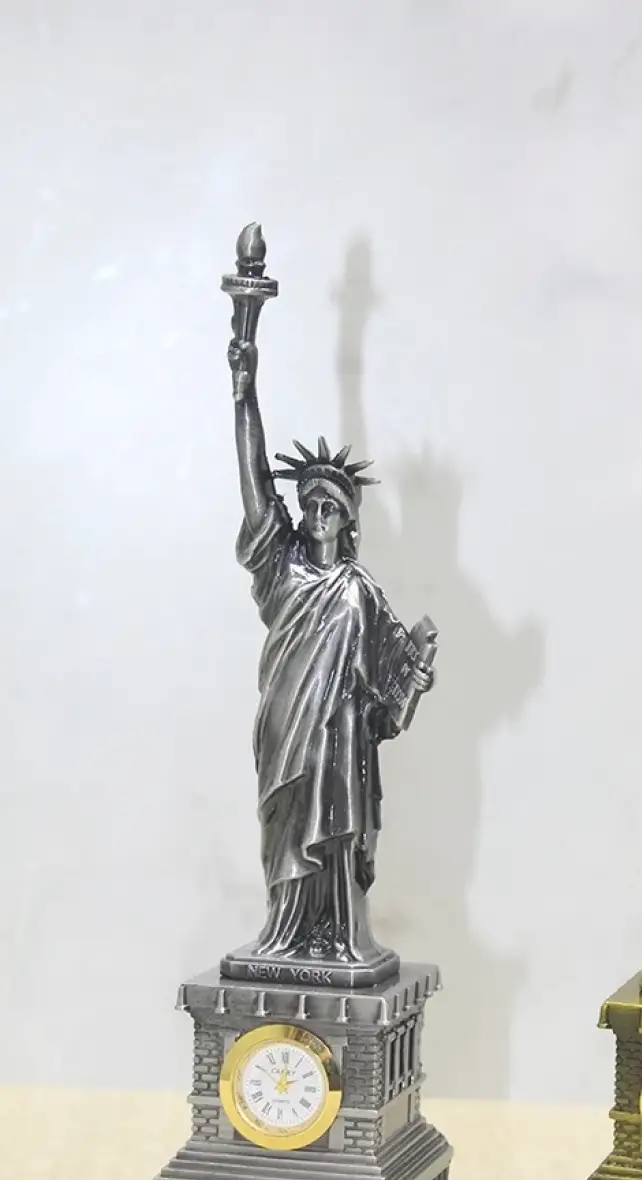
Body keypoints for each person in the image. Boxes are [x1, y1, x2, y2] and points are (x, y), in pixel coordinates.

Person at [228, 336, 433, 970]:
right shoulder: (280, 567)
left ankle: (340, 933)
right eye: (310, 504)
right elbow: (253, 480)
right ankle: (285, 930)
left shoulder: (359, 591)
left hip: (340, 737)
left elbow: (393, 682)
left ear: (348, 521)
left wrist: (417, 667)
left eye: (330, 507)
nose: (316, 514)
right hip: (285, 723)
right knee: (286, 824)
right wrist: (243, 389)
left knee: (334, 825)